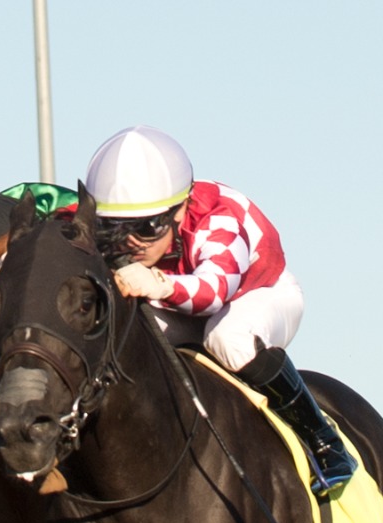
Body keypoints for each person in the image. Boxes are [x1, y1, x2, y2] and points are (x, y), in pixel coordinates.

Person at [84, 125, 355, 496]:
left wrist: (159, 284)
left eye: (147, 228)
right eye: (115, 230)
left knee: (227, 338)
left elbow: (213, 293)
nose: (131, 243)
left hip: (256, 295)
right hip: (178, 306)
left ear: (179, 211)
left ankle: (324, 442)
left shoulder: (218, 219)